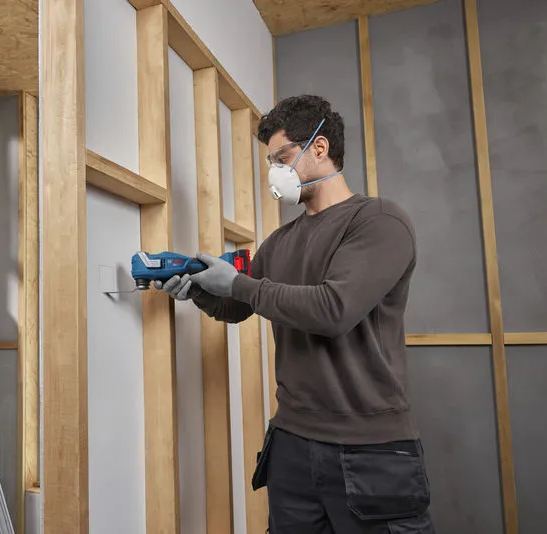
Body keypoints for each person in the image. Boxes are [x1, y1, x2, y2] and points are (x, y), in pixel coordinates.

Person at [155, 94, 434, 533]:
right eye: (269, 161)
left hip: (369, 449)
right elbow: (239, 306)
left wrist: (238, 283)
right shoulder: (280, 242)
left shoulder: (379, 221)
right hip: (292, 443)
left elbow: (333, 310)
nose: (274, 172)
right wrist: (198, 291)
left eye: (282, 157)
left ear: (319, 149)